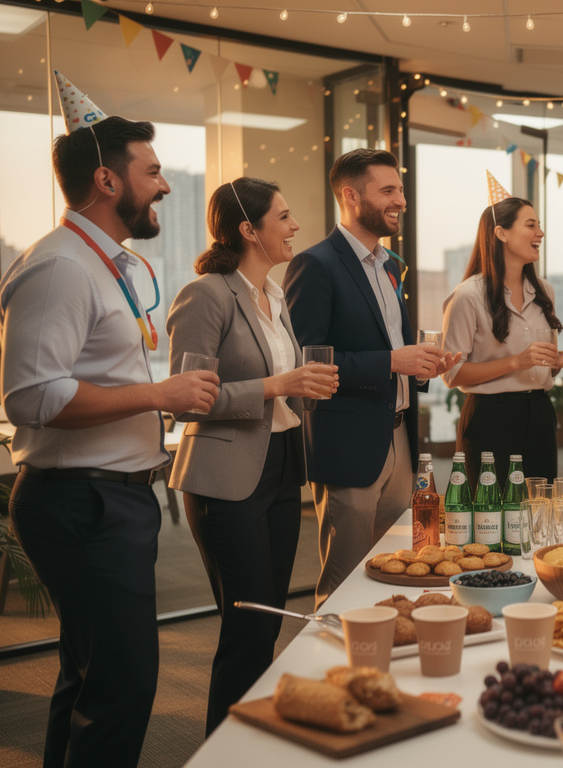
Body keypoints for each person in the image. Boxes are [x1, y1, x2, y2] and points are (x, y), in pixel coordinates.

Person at [0, 75, 218, 768]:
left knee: (90, 676)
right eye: (152, 172)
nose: (165, 186)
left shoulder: (104, 265)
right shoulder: (61, 268)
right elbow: (32, 398)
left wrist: (156, 395)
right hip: (81, 502)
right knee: (122, 686)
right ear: (106, 179)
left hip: (111, 500)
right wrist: (159, 397)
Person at [166, 178, 338, 734]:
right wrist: (274, 384)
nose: (294, 227)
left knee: (268, 623)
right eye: (284, 218)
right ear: (249, 230)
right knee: (246, 627)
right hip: (226, 477)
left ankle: (251, 740)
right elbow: (186, 399)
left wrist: (297, 387)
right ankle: (226, 747)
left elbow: (277, 384)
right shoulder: (206, 293)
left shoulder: (277, 293)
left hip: (283, 461)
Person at [284, 148, 456, 608]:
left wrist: (422, 367)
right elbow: (306, 360)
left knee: (395, 566)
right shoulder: (315, 264)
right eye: (388, 191)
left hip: (399, 437)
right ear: (351, 196)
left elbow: (391, 349)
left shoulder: (389, 265)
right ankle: (331, 670)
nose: (400, 200)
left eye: (400, 189)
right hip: (348, 443)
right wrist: (392, 362)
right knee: (344, 581)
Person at [441, 189, 563, 484]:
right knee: (491, 516)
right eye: (530, 225)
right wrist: (515, 362)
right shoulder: (468, 295)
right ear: (501, 233)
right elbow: (452, 373)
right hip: (490, 418)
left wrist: (557, 361)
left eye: (539, 225)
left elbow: (542, 364)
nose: (540, 233)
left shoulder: (545, 291)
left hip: (540, 414)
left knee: (538, 512)